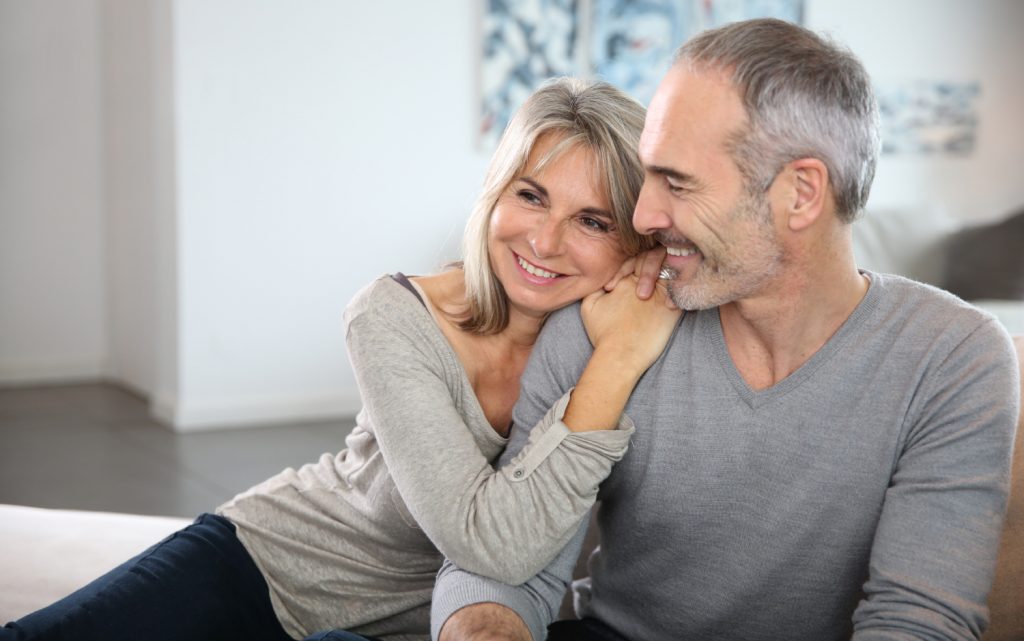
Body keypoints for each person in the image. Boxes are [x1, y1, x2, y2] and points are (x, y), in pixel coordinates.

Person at [1, 78, 682, 641]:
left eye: (592, 221)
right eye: (530, 196)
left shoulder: (621, 346)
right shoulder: (392, 316)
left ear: (633, 242)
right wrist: (616, 359)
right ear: (495, 193)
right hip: (269, 566)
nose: (545, 240)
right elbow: (490, 545)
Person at [431, 19, 1020, 641]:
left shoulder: (952, 358)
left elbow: (918, 621)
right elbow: (507, 570)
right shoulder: (605, 321)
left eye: (677, 182)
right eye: (648, 174)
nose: (643, 215)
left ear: (801, 193)